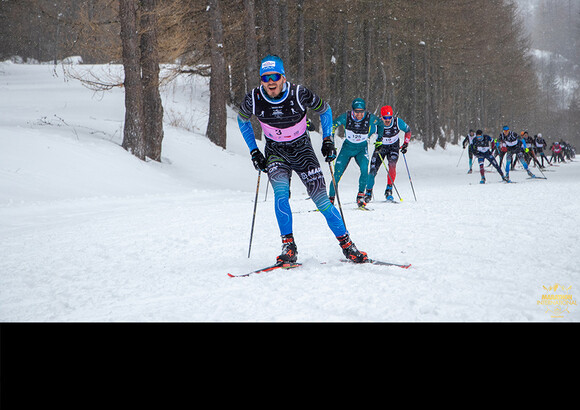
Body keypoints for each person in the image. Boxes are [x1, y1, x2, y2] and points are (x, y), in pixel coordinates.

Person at [237, 55, 368, 263]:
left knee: (322, 201)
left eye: (275, 76)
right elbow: (242, 120)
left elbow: (325, 110)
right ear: (261, 79)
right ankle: (289, 246)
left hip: (302, 150)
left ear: (283, 77)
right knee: (280, 196)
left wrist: (327, 140)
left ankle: (347, 245)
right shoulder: (253, 98)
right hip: (275, 152)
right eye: (265, 77)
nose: (271, 81)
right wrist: (254, 151)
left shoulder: (299, 93)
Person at [328, 98, 383, 208]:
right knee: (337, 173)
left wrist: (379, 141)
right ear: (352, 110)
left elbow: (381, 124)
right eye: (356, 111)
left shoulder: (370, 118)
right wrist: (331, 144)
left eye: (361, 111)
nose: (359, 114)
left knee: (364, 170)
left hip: (361, 149)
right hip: (347, 148)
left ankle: (360, 196)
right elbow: (332, 126)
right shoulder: (346, 117)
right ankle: (330, 199)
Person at [365, 105, 411, 202]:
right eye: (385, 117)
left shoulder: (397, 122)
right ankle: (368, 192)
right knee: (372, 170)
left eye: (389, 117)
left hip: (393, 147)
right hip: (380, 147)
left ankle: (389, 190)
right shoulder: (376, 124)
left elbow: (408, 130)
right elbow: (366, 135)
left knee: (392, 165)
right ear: (381, 117)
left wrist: (405, 144)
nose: (387, 120)